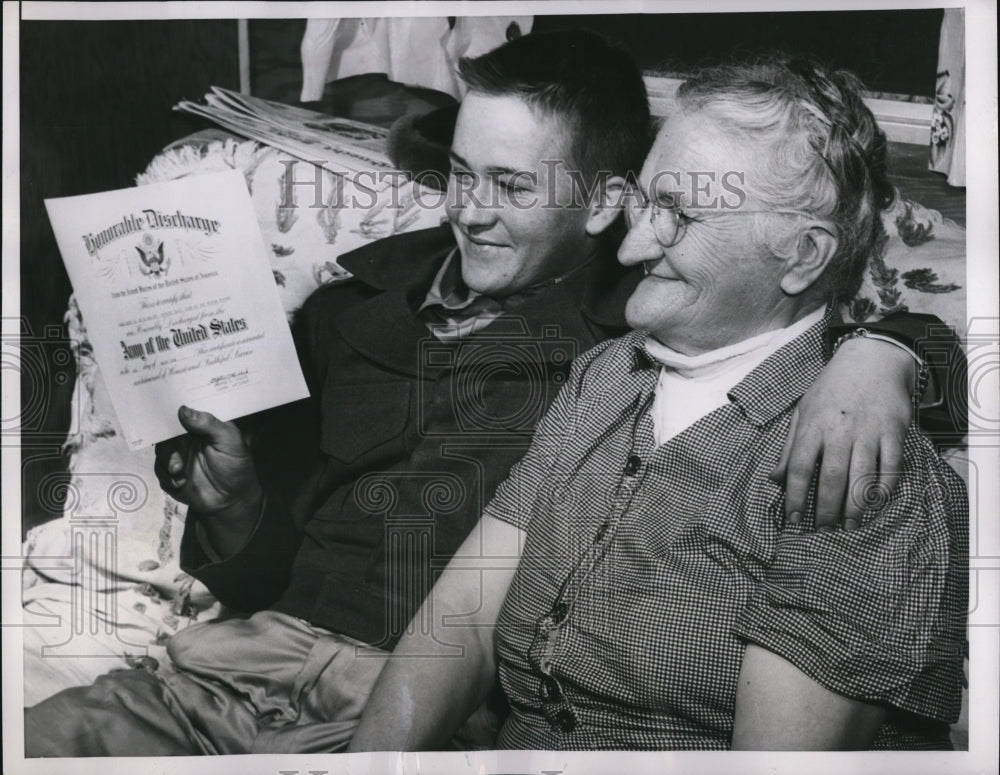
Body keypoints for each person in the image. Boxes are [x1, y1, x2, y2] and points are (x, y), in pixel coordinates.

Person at [25, 33, 963, 756]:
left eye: (511, 184)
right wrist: (234, 504)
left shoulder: (630, 336)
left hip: (407, 705)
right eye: (459, 175)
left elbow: (817, 332)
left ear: (595, 204)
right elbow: (335, 573)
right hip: (238, 666)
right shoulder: (371, 312)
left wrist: (888, 350)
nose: (470, 210)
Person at [350, 55, 968, 751]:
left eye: (676, 215)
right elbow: (458, 624)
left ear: (801, 255)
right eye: (645, 200)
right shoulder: (604, 376)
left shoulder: (854, 461)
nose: (633, 244)